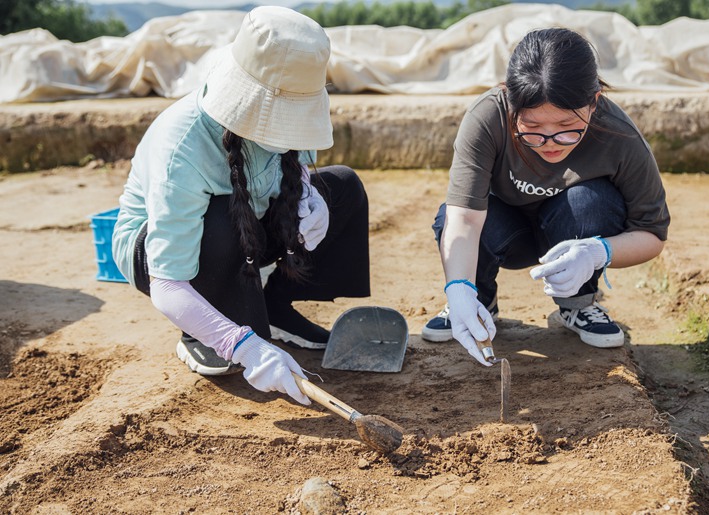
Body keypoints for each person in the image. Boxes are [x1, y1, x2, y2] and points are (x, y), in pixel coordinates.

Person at [112, 7, 369, 404]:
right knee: (222, 217)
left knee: (344, 187)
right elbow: (167, 283)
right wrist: (242, 344)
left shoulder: (289, 112)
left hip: (246, 225)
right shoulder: (182, 148)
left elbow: (293, 162)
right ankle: (199, 330)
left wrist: (309, 194)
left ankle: (276, 305)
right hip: (168, 255)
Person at [420, 27, 670, 366]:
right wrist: (459, 286)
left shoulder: (620, 138)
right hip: (506, 231)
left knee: (592, 202)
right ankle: (478, 302)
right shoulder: (486, 118)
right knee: (449, 213)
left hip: (574, 232)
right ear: (511, 101)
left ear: (594, 103)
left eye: (567, 127)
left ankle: (578, 305)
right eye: (533, 128)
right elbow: (464, 217)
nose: (550, 141)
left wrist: (598, 252)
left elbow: (652, 234)